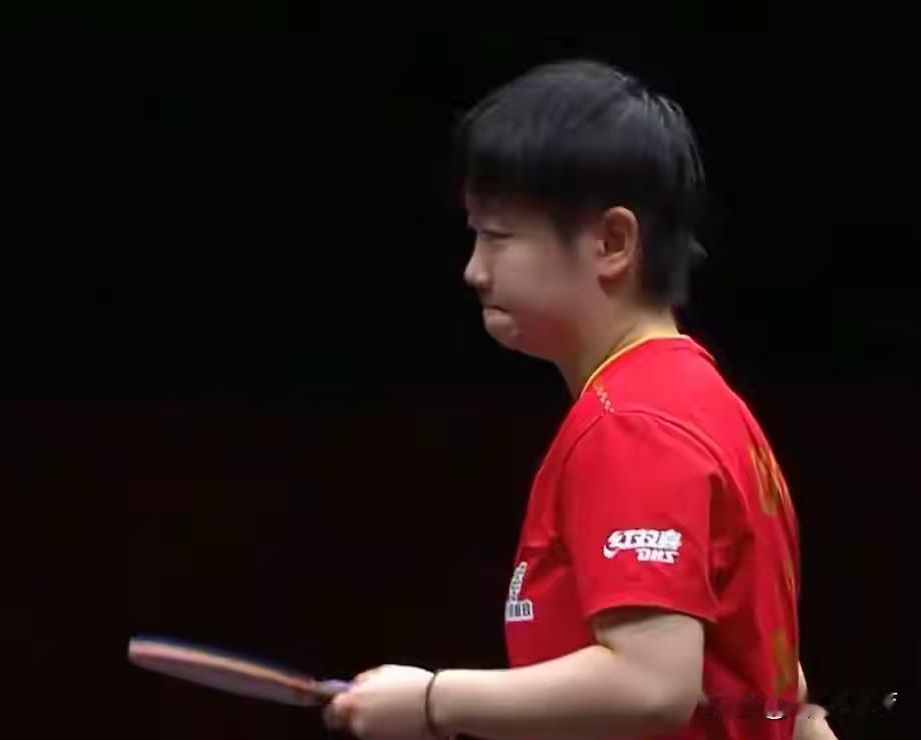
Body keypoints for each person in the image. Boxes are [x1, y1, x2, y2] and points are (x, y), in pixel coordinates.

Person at [323, 59, 836, 739]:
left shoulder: (634, 425)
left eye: (497, 236)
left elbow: (651, 685)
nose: (474, 270)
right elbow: (781, 693)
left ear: (611, 243)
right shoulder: (711, 409)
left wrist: (432, 700)